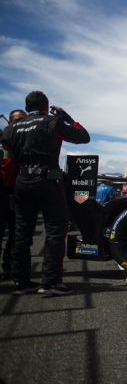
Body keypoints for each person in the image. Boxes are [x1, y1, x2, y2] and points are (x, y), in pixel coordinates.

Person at [2, 91, 90, 295]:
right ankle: (50, 283)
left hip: (22, 182)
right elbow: (83, 137)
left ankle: (21, 282)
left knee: (21, 233)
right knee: (55, 230)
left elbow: (9, 159)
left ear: (26, 107)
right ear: (46, 106)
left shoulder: (11, 129)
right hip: (48, 181)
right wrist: (65, 116)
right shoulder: (52, 122)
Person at [0, 109, 26, 279]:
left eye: (22, 121)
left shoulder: (26, 144)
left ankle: (9, 266)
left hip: (18, 195)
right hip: (2, 193)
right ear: (9, 123)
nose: (18, 124)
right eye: (15, 121)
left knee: (16, 235)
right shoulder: (4, 143)